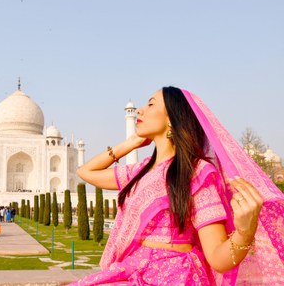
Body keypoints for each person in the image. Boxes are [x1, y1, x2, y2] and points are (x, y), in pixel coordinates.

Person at [69, 86, 284, 285]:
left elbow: (218, 258)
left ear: (172, 119)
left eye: (151, 104)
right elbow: (85, 172)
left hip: (173, 274)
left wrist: (244, 233)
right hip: (132, 269)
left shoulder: (194, 172)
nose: (139, 111)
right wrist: (131, 142)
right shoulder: (141, 170)